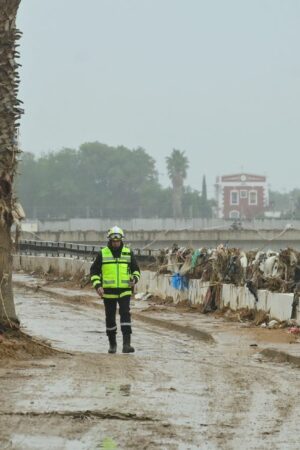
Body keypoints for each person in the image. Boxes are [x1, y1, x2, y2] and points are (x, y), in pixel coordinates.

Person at [90, 226, 140, 354]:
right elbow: (94, 271)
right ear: (110, 240)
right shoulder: (103, 253)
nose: (116, 243)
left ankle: (126, 344)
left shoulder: (128, 253)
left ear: (121, 240)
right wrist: (98, 286)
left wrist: (134, 279)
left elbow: (136, 270)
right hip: (108, 292)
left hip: (124, 291)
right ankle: (112, 344)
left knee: (125, 315)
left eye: (118, 241)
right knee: (110, 318)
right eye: (114, 241)